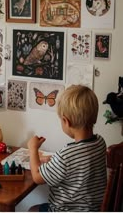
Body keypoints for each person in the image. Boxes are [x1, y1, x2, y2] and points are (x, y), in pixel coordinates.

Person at [27, 84, 107, 212]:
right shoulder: (100, 142)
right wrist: (54, 160)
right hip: (94, 209)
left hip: (66, 210)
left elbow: (37, 178)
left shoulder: (66, 156)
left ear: (66, 121)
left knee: (32, 210)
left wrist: (33, 148)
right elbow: (79, 161)